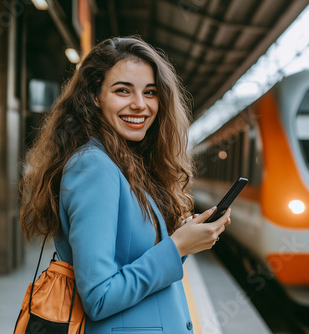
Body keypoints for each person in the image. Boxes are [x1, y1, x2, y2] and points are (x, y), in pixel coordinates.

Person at [19, 36, 231, 333]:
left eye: (150, 92)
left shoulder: (122, 161)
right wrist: (177, 245)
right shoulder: (93, 166)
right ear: (94, 95)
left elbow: (130, 259)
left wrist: (180, 239)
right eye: (123, 91)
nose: (140, 105)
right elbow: (99, 297)